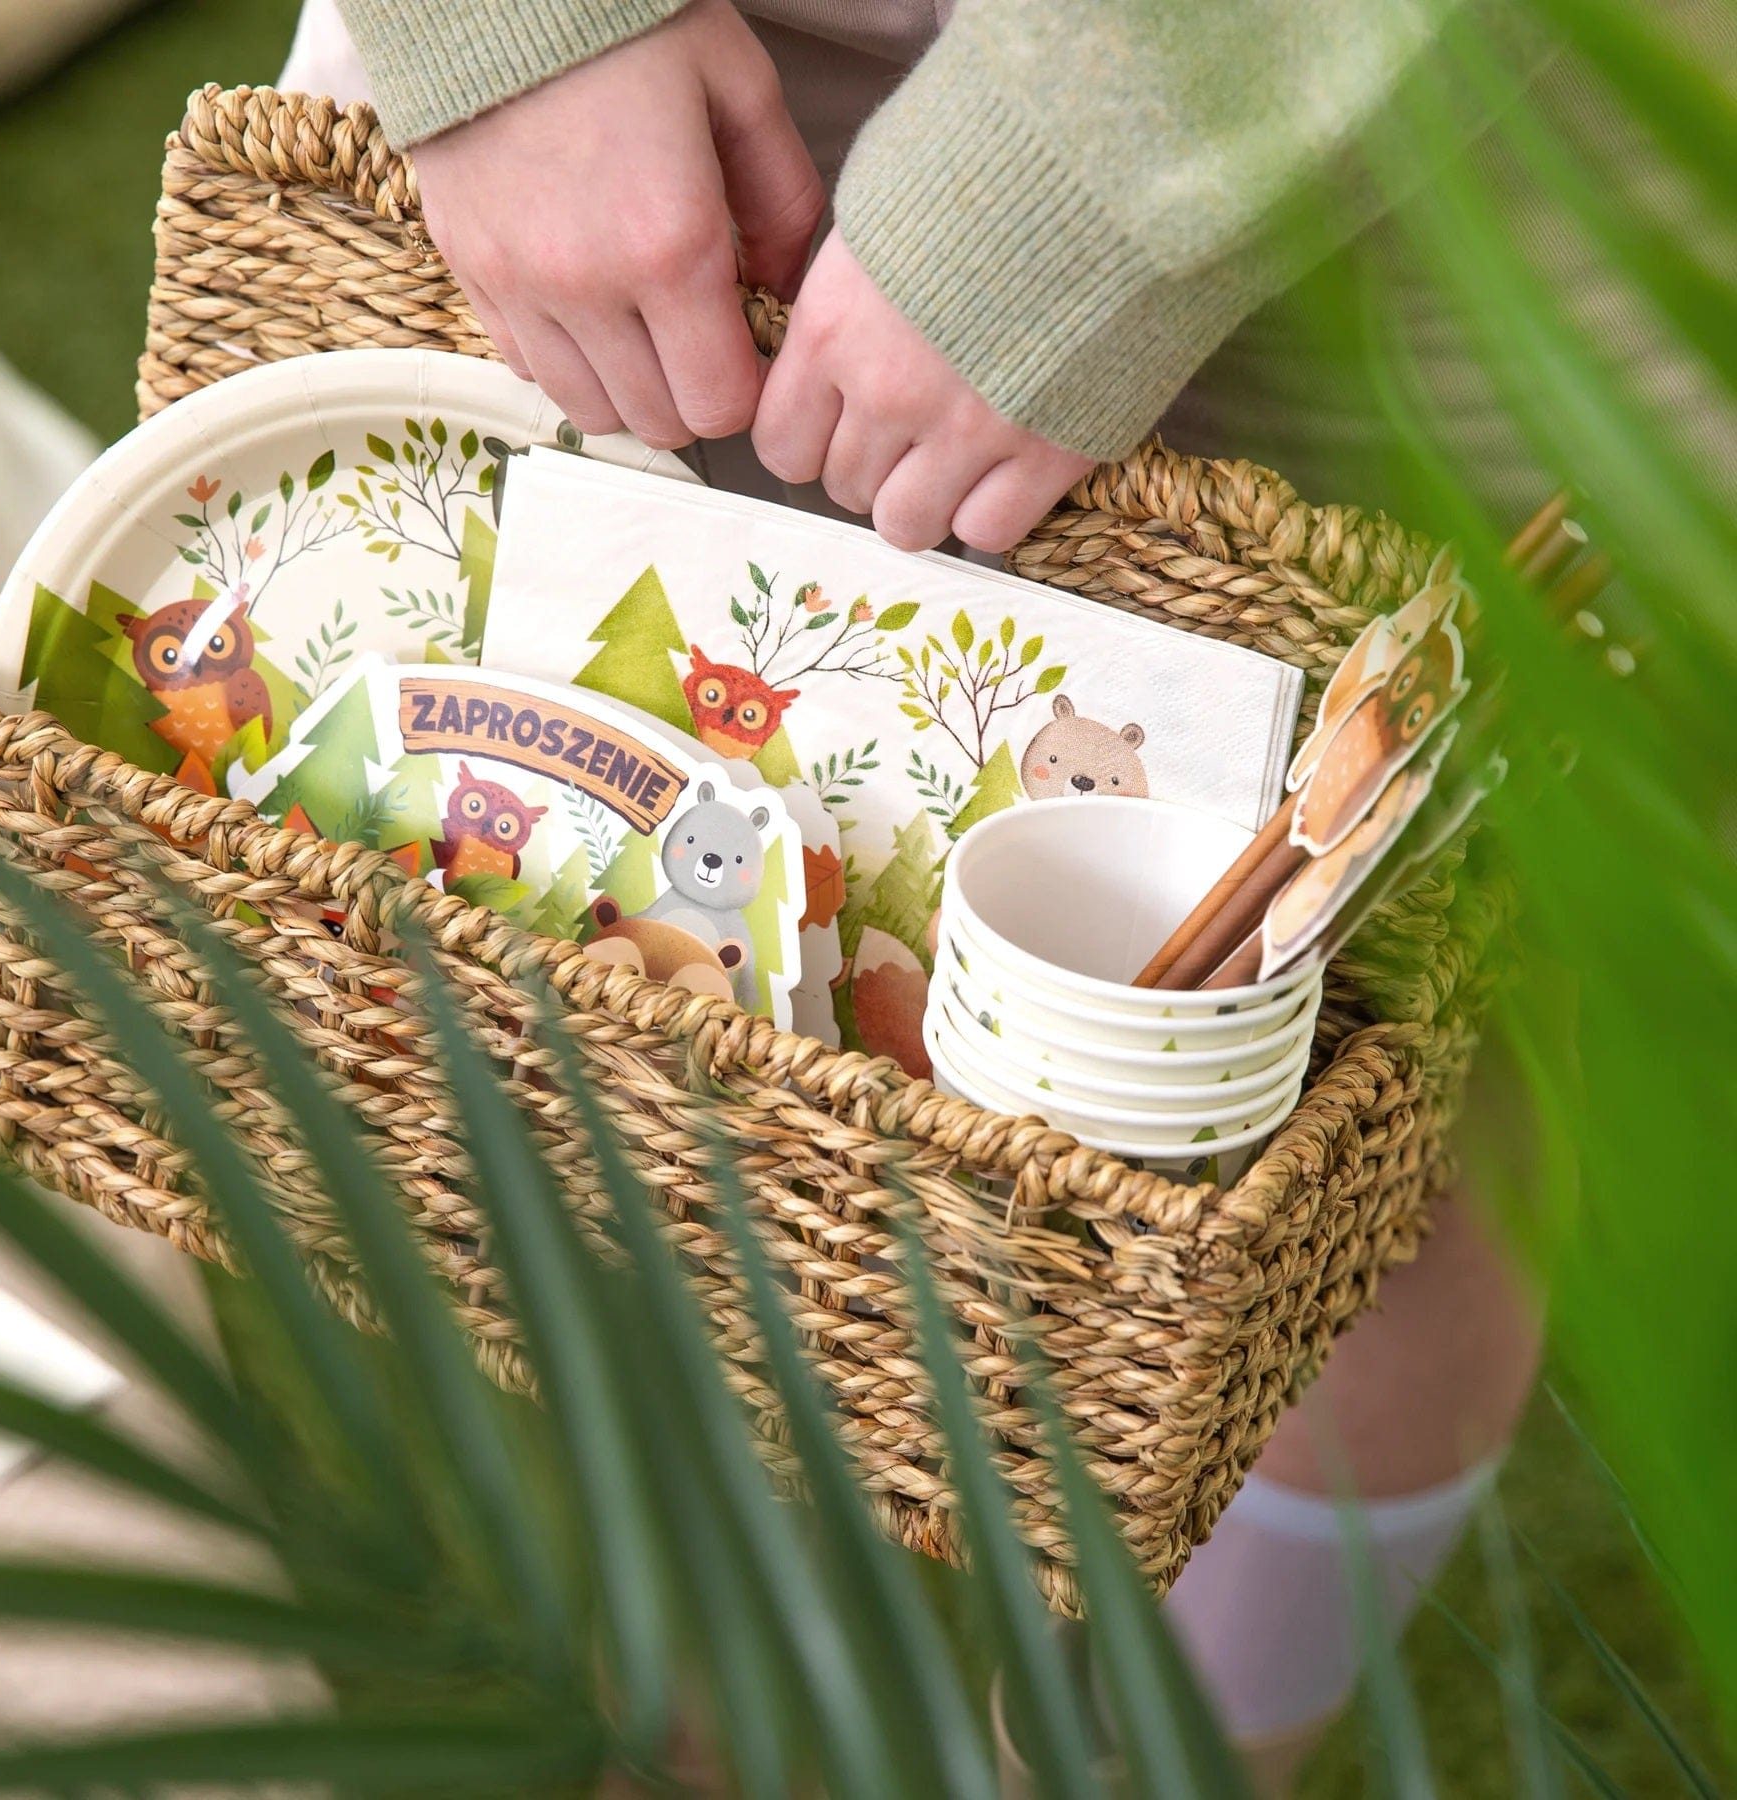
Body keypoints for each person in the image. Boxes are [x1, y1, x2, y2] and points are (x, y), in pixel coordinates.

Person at [274, 0, 1578, 1781]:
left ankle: (1145, 1763)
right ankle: (707, 1705)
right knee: (580, 991)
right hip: (603, 127)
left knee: (1384, 1139)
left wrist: (1058, 205)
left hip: (1368, 130)